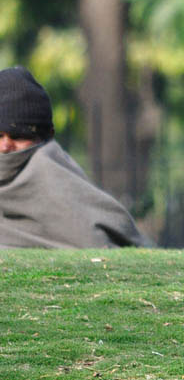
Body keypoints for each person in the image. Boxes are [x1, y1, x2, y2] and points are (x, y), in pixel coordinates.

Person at [0, 66, 149, 249]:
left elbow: (99, 242)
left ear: (47, 138)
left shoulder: (51, 178)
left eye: (19, 135)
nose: (6, 146)